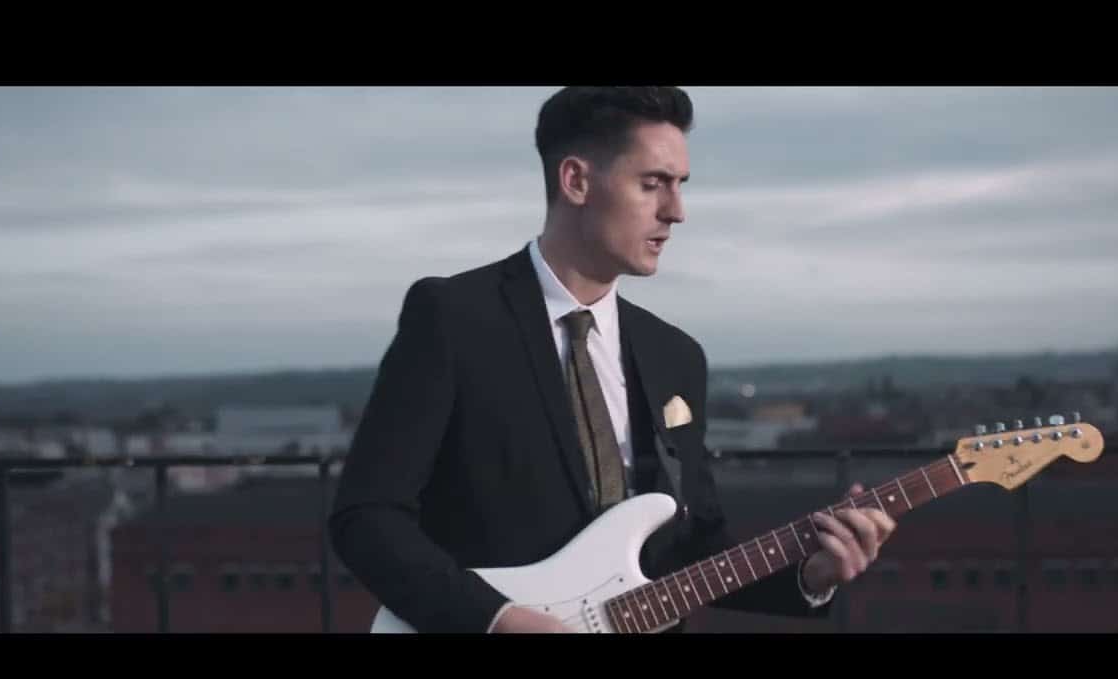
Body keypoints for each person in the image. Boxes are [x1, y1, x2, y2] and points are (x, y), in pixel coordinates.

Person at [328, 86, 896, 634]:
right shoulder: (454, 318)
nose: (676, 211)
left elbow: (694, 549)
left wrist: (810, 575)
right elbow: (367, 518)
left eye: (680, 185)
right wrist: (496, 620)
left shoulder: (675, 356)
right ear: (576, 181)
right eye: (653, 184)